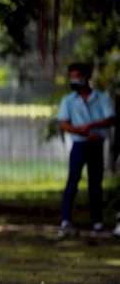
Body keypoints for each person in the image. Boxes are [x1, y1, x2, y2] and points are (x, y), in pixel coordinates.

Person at [56, 62, 115, 239]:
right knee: (72, 181)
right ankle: (65, 220)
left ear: (86, 77)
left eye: (77, 76)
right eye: (72, 76)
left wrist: (92, 126)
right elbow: (64, 123)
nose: (74, 80)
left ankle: (97, 221)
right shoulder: (68, 101)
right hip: (79, 145)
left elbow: (110, 119)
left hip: (96, 145)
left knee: (95, 183)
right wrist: (79, 130)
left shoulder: (102, 98)